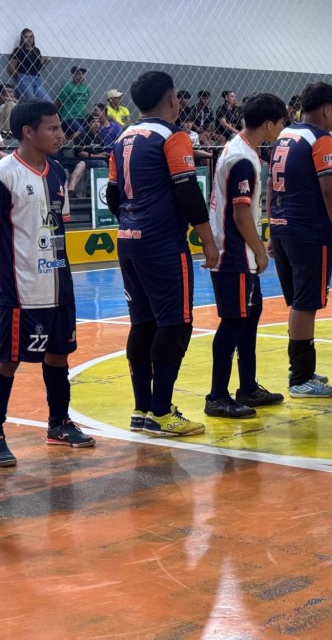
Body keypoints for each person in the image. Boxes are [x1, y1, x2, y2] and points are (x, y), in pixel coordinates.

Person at [0, 100, 94, 467]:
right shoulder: (0, 176)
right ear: (28, 132)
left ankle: (58, 423)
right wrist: (9, 267)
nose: (61, 134)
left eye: (60, 127)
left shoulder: (57, 171)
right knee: (8, 360)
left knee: (59, 355)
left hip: (59, 285)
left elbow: (57, 227)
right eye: (52, 128)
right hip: (20, 289)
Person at [106, 71, 219, 436]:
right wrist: (208, 240)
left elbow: (112, 194)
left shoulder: (122, 138)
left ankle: (142, 410)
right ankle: (162, 411)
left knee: (143, 323)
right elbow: (187, 189)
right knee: (176, 323)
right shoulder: (173, 136)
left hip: (129, 239)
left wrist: (132, 219)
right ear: (172, 99)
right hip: (162, 243)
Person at [206, 94, 289, 417]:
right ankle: (217, 395)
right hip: (234, 254)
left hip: (240, 253)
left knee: (249, 317)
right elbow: (241, 215)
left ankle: (248, 386)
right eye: (281, 123)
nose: (281, 129)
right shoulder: (242, 158)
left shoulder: (240, 150)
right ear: (269, 124)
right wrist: (259, 250)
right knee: (233, 321)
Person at [266, 81, 332, 398]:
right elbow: (330, 190)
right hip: (308, 231)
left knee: (299, 303)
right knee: (306, 304)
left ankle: (301, 370)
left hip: (282, 226)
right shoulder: (321, 139)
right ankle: (300, 378)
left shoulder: (285, 135)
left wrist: (271, 228)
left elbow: (271, 185)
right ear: (327, 109)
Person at [8, 29, 51, 101]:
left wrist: (45, 62)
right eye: (26, 37)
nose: (29, 39)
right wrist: (20, 77)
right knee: (30, 101)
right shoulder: (19, 50)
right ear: (22, 38)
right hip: (24, 78)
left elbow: (38, 68)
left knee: (47, 101)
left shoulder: (36, 51)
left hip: (36, 79)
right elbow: (11, 67)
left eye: (31, 37)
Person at [56, 66, 90, 136]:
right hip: (70, 117)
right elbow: (60, 101)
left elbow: (85, 101)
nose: (81, 76)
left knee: (90, 133)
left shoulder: (86, 88)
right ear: (72, 75)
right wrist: (60, 116)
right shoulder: (68, 87)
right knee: (82, 134)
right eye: (78, 74)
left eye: (83, 74)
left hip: (83, 117)